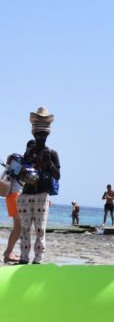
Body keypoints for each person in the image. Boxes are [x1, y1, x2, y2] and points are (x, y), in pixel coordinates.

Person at [17, 109, 60, 265]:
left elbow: (57, 176)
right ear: (34, 134)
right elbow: (20, 172)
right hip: (27, 194)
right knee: (25, 229)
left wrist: (49, 164)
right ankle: (24, 258)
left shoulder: (52, 153)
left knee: (40, 229)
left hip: (41, 194)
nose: (40, 138)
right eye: (38, 135)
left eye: (43, 135)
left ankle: (37, 260)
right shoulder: (29, 152)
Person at [2, 144, 33, 264]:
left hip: (10, 196)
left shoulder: (14, 165)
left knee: (17, 227)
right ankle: (8, 253)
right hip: (16, 196)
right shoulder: (23, 164)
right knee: (19, 227)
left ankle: (9, 252)